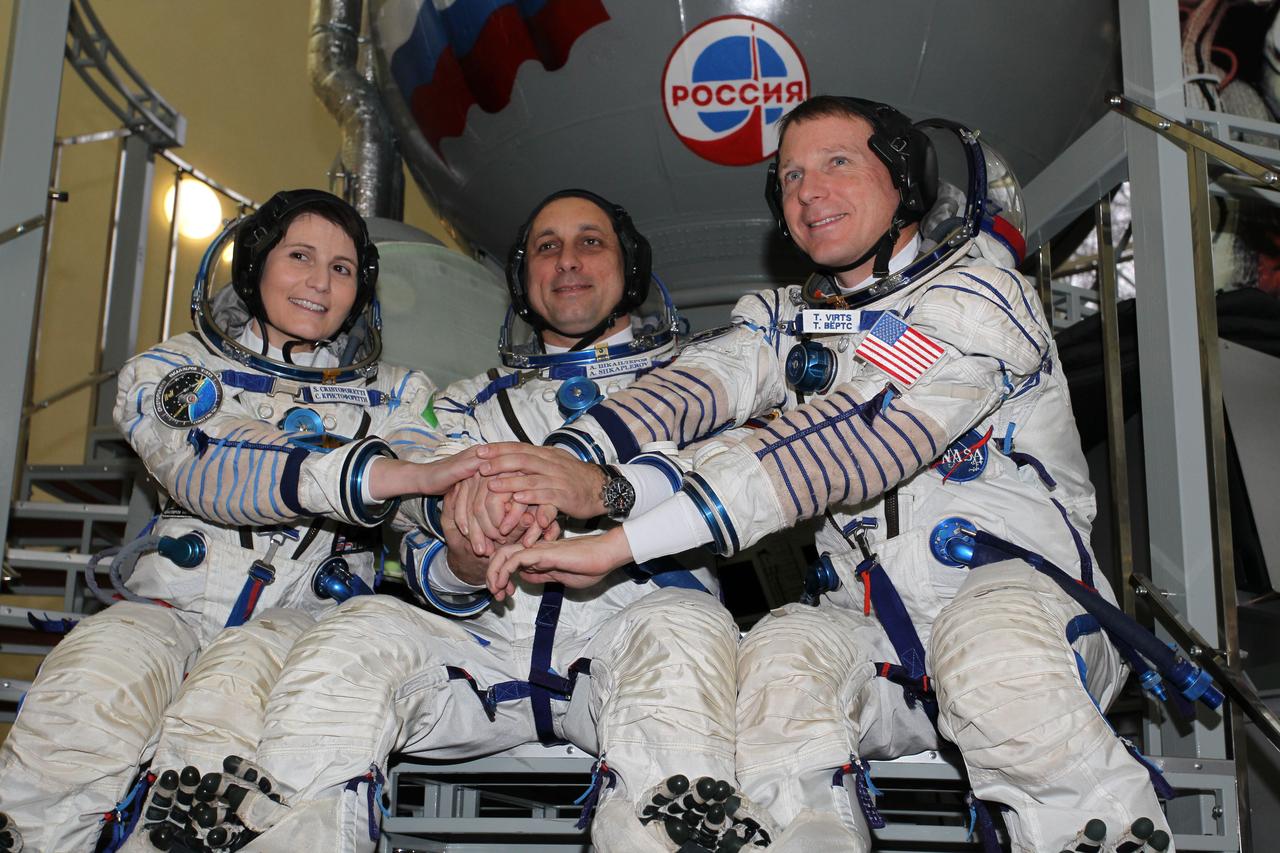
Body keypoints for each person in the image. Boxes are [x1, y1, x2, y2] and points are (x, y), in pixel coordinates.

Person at [482, 98, 1207, 852]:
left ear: (905, 180)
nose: (807, 189)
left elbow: (859, 436)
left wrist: (614, 523)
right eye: (791, 174)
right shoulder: (784, 319)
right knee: (779, 658)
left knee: (990, 649)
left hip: (1026, 619)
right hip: (880, 633)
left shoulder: (982, 298)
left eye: (837, 163)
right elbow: (697, 384)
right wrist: (568, 459)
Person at [189, 190, 762, 853]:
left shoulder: (690, 385)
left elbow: (734, 482)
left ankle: (665, 830)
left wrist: (605, 490)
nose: (568, 261)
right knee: (358, 629)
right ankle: (296, 835)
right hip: (486, 650)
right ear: (522, 279)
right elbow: (422, 540)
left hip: (633, 639)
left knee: (683, 628)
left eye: (590, 242)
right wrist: (462, 557)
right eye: (547, 247)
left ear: (630, 266)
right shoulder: (462, 406)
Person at [0, 189, 479, 853]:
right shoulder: (173, 368)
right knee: (89, 686)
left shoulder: (400, 393)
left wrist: (467, 520)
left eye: (342, 269)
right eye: (301, 257)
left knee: (229, 705)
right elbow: (210, 465)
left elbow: (433, 479)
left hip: (301, 620)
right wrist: (370, 472)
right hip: (173, 607)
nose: (320, 281)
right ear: (254, 266)